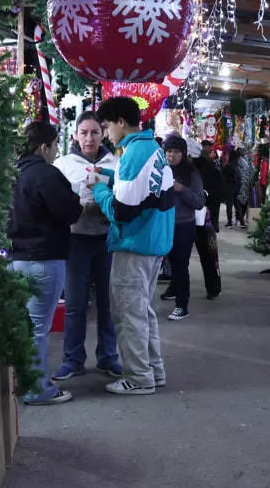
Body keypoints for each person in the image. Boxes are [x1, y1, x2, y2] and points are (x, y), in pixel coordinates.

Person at [92, 97, 175, 395]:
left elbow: (120, 210)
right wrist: (111, 177)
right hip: (152, 243)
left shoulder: (134, 154)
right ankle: (153, 370)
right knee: (142, 311)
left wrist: (99, 189)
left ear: (120, 122)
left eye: (106, 126)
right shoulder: (152, 148)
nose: (105, 133)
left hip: (134, 244)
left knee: (129, 314)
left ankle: (139, 378)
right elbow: (145, 192)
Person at [8, 121, 83, 405]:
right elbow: (68, 212)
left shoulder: (14, 173)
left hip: (18, 258)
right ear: (44, 146)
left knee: (27, 326)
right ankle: (37, 388)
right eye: (53, 146)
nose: (54, 152)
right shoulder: (46, 174)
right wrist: (77, 199)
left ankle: (26, 381)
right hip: (44, 258)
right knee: (38, 328)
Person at [51, 111, 122, 382]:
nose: (89, 138)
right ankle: (73, 359)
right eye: (84, 132)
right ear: (75, 135)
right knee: (75, 304)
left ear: (103, 133)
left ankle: (108, 356)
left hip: (107, 239)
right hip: (76, 239)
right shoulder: (63, 164)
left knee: (108, 302)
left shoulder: (115, 163)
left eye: (94, 132)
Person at [158, 135, 205, 320]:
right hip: (163, 222)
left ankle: (182, 305)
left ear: (183, 153)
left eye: (176, 152)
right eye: (169, 151)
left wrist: (181, 189)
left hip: (183, 225)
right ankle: (173, 288)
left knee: (180, 264)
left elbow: (199, 202)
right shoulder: (161, 169)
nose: (172, 155)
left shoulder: (191, 173)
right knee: (169, 261)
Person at [191, 140, 223, 299]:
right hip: (195, 217)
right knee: (208, 255)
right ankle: (213, 287)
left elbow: (218, 192)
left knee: (207, 254)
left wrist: (205, 196)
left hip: (201, 217)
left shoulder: (208, 169)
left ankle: (213, 287)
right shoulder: (179, 170)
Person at [196, 139, 224, 232]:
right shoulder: (200, 164)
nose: (211, 150)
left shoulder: (212, 164)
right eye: (209, 148)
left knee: (208, 220)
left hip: (210, 196)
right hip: (206, 196)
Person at [235, 148, 253, 228]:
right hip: (243, 183)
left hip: (244, 183)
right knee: (243, 202)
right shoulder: (241, 160)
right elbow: (245, 170)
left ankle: (239, 218)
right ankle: (240, 218)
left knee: (242, 201)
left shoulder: (242, 160)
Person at [221, 147, 239, 227]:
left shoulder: (229, 165)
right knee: (236, 204)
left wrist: (224, 166)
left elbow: (224, 175)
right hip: (235, 186)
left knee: (229, 205)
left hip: (229, 187)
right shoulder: (236, 164)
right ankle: (241, 221)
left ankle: (230, 222)